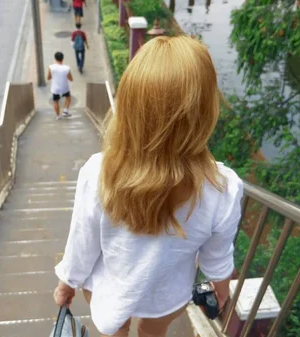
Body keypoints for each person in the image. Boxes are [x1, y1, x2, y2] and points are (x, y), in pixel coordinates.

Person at [53, 36, 242, 337]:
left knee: (116, 327)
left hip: (109, 288)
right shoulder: (222, 187)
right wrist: (221, 289)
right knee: (154, 331)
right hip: (167, 295)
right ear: (205, 112)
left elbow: (82, 242)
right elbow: (217, 257)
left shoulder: (99, 172)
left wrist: (67, 283)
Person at [47, 52, 73, 120]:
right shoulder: (66, 68)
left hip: (55, 88)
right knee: (68, 97)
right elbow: (71, 79)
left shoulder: (51, 67)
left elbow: (48, 77)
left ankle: (58, 116)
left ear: (55, 58)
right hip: (64, 87)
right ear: (62, 59)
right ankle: (65, 110)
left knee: (56, 101)